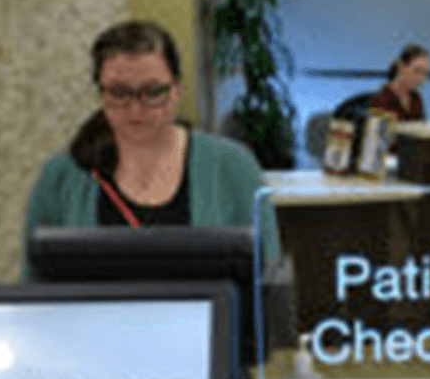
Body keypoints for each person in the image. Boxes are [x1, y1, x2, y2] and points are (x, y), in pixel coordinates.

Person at [22, 20, 282, 277]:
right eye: (119, 93)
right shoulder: (61, 176)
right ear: (101, 94)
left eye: (152, 92)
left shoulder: (232, 167)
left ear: (176, 90)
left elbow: (267, 282)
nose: (135, 109)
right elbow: (34, 287)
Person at [369, 44, 430, 122]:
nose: (421, 78)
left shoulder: (416, 99)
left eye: (425, 73)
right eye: (417, 71)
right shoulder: (379, 98)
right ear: (401, 68)